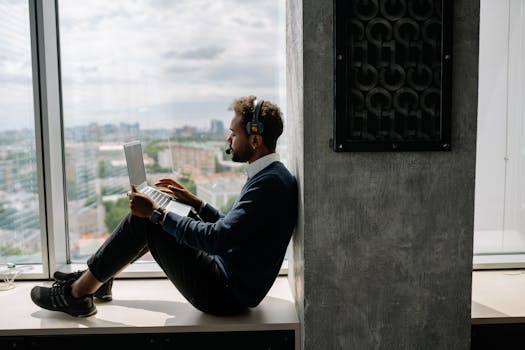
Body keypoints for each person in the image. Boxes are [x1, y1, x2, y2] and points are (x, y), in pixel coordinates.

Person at [30, 96, 298, 317]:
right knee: (170, 215)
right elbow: (233, 230)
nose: (229, 139)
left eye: (233, 132)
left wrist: (157, 214)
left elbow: (217, 239)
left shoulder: (268, 185)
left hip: (224, 295)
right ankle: (100, 277)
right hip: (230, 279)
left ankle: (76, 294)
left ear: (255, 140)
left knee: (148, 221)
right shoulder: (272, 175)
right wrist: (196, 203)